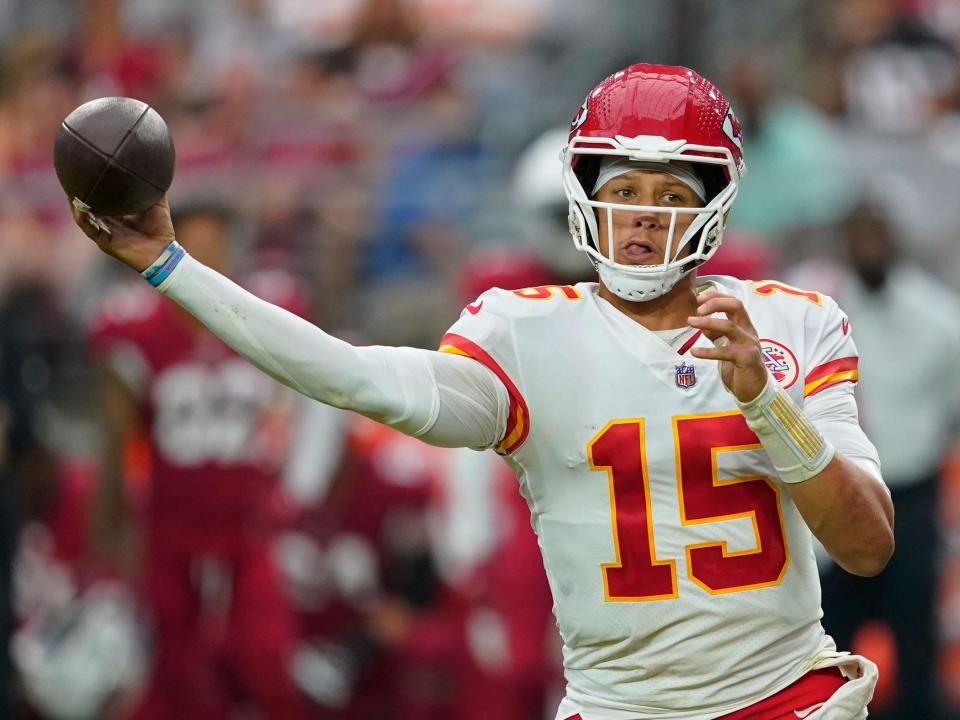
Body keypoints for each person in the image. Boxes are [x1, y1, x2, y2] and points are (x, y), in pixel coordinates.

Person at [71, 64, 894, 720]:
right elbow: (350, 375)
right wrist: (170, 267)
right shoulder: (523, 332)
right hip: (616, 707)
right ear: (586, 197)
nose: (644, 217)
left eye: (673, 194)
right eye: (626, 191)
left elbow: (866, 546)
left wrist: (765, 405)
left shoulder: (792, 325)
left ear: (715, 205)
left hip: (785, 700)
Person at [86, 203, 310, 720]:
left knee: (268, 662)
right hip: (171, 529)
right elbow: (115, 441)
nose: (205, 261)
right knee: (176, 676)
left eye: (216, 248)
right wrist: (110, 532)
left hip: (249, 525)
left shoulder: (267, 311)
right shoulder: (134, 327)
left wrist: (294, 497)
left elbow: (304, 409)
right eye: (194, 248)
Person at [787, 198, 960, 720]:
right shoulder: (816, 309)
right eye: (859, 234)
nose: (869, 245)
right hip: (835, 493)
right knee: (831, 641)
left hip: (908, 493)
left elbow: (952, 410)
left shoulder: (937, 316)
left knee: (915, 638)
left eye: (877, 233)